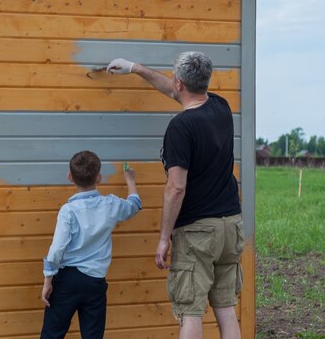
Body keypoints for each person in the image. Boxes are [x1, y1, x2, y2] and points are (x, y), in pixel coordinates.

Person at [106, 53, 244, 339]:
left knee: (190, 310)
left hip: (198, 233)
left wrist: (163, 237)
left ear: (180, 82)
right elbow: (174, 90)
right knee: (226, 309)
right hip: (231, 224)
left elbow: (176, 188)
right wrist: (135, 68)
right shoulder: (220, 106)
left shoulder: (181, 128)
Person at [40, 150, 141, 339]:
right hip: (95, 282)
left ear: (70, 177)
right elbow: (134, 205)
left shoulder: (68, 211)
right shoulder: (110, 204)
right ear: (99, 178)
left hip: (66, 281)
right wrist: (130, 179)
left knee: (52, 334)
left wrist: (48, 280)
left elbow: (56, 250)